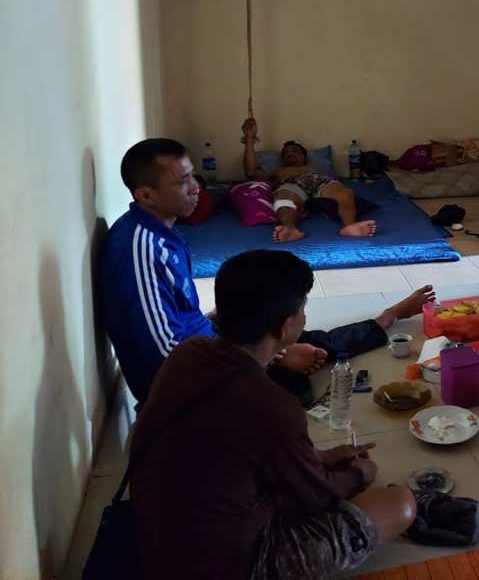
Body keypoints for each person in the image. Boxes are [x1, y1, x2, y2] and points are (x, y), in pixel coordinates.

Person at [130, 249, 417, 580]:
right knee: (399, 503)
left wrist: (322, 457)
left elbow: (241, 449)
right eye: (302, 309)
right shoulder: (272, 405)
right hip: (225, 565)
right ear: (286, 327)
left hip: (155, 534)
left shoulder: (188, 354)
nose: (305, 317)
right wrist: (359, 475)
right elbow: (319, 498)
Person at [100, 138, 434, 403]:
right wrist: (270, 356)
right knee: (294, 377)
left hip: (204, 348)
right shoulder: (142, 248)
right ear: (146, 194)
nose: (195, 188)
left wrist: (233, 326)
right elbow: (166, 356)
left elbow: (177, 320)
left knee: (284, 323)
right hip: (187, 388)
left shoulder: (162, 234)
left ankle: (386, 318)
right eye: (182, 181)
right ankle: (382, 320)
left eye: (192, 177)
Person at [242, 117, 376, 242]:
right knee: (283, 199)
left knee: (345, 193)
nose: (290, 154)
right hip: (291, 184)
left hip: (319, 181)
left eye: (294, 151)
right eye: (286, 153)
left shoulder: (314, 169)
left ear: (304, 157)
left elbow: (334, 183)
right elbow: (251, 173)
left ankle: (350, 226)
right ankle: (290, 229)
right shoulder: (278, 172)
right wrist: (249, 138)